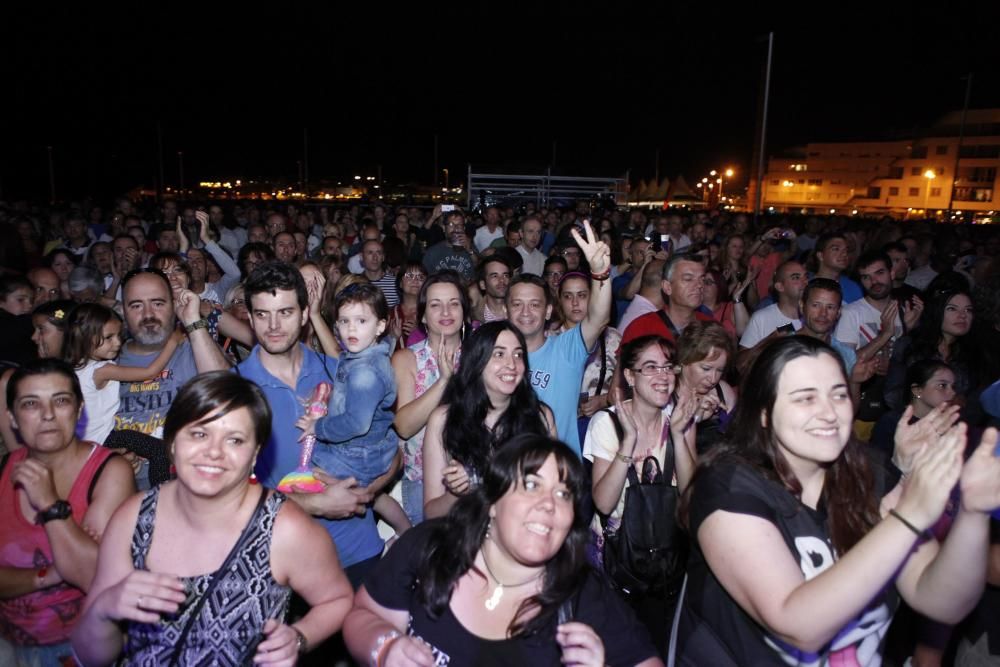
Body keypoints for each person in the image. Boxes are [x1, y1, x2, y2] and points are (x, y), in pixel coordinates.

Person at [675, 335, 1000, 665]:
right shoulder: (727, 485)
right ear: (763, 414)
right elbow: (797, 624)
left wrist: (973, 513)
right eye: (805, 398)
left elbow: (943, 601)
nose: (829, 412)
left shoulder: (870, 472)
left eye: (839, 394)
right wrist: (908, 516)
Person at [71, 372, 354, 666]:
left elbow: (338, 599)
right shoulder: (133, 519)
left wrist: (298, 638)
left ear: (255, 454)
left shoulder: (284, 528)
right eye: (199, 434)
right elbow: (90, 657)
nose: (214, 452)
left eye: (235, 440)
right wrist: (104, 610)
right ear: (172, 442)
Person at [343, 434, 663, 667]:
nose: (549, 504)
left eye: (564, 494)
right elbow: (363, 615)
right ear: (493, 503)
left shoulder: (582, 595)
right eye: (532, 485)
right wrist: (383, 648)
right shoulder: (431, 546)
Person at [237, 262, 388, 587]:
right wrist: (314, 503)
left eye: (286, 312)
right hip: (286, 564)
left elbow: (393, 451)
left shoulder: (342, 372)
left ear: (306, 314)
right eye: (262, 314)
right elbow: (229, 496)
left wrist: (365, 491)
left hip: (359, 551)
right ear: (249, 319)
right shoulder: (235, 390)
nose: (274, 325)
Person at [0, 359, 135, 665]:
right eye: (31, 404)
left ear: (79, 409)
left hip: (80, 648)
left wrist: (51, 505)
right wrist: (48, 575)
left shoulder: (109, 471)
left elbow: (96, 579)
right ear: (12, 417)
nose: (47, 415)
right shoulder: (4, 470)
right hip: (8, 643)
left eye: (60, 401)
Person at [585, 335, 698, 654]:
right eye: (650, 367)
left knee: (655, 651)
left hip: (664, 563)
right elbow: (603, 503)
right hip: (615, 565)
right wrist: (628, 442)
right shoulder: (606, 423)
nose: (663, 376)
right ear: (630, 376)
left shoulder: (681, 421)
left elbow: (691, 498)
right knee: (612, 651)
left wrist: (679, 434)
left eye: (667, 367)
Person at [422, 321, 556, 519]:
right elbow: (431, 513)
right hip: (467, 537)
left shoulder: (540, 416)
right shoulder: (443, 420)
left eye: (518, 354)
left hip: (523, 534)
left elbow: (555, 493)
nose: (511, 364)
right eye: (499, 354)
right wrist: (456, 494)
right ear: (478, 361)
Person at [507, 220, 612, 455]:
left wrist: (599, 273)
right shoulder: (491, 355)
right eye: (517, 304)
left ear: (548, 311)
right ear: (505, 311)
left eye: (535, 304)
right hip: (507, 473)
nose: (526, 312)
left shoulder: (567, 349)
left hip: (560, 475)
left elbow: (598, 319)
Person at [297, 283, 399, 489]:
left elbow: (356, 424)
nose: (351, 328)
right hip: (371, 445)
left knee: (306, 478)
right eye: (344, 321)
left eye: (361, 321)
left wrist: (317, 427)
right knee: (379, 502)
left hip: (357, 455)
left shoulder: (365, 372)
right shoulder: (361, 356)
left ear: (380, 326)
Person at [392, 271, 468, 525]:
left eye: (454, 304)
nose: (446, 312)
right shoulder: (407, 359)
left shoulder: (481, 357)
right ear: (423, 315)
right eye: (436, 305)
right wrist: (444, 381)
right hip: (422, 482)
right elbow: (404, 426)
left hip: (475, 479)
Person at [62, 303, 183, 445]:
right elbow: (150, 373)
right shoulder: (101, 370)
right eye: (109, 338)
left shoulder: (73, 369)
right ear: (84, 337)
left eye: (118, 336)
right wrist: (173, 342)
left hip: (82, 441)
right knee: (158, 450)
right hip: (103, 439)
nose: (118, 342)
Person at [674, 321, 737, 455]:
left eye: (720, 370)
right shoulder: (666, 395)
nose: (713, 379)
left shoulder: (723, 392)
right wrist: (695, 420)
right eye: (706, 368)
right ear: (684, 360)